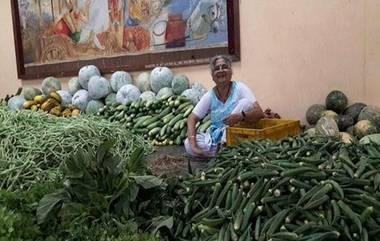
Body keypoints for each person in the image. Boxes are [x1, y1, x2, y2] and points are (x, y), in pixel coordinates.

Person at [185, 55, 265, 157]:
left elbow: (259, 112)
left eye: (224, 67)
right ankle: (224, 150)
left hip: (237, 136)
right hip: (216, 140)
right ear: (213, 76)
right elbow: (192, 118)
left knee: (245, 103)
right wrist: (194, 145)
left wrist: (241, 116)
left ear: (231, 72)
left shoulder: (240, 88)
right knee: (188, 144)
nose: (221, 70)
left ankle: (225, 146)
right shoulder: (210, 95)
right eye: (217, 69)